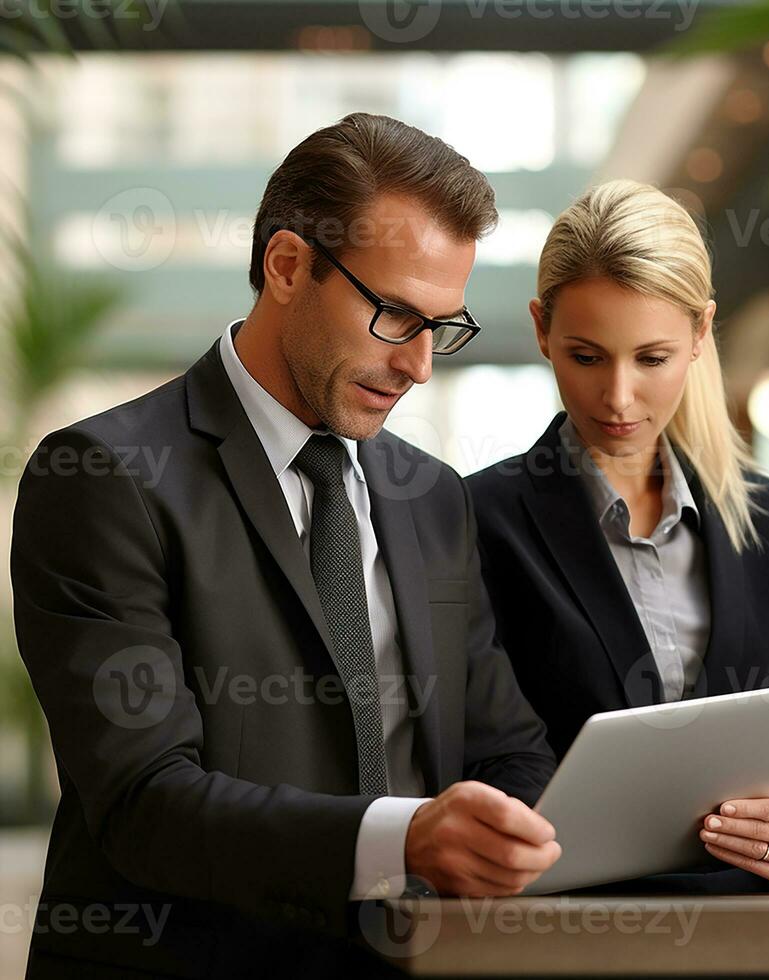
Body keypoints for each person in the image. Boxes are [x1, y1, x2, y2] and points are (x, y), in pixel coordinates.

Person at [10, 113, 561, 980]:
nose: (420, 365)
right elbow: (147, 801)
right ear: (288, 266)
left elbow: (505, 745)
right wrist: (402, 839)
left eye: (442, 328)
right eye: (393, 315)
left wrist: (520, 832)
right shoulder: (105, 476)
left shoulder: (432, 497)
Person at [466, 179, 769, 896]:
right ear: (540, 329)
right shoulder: (478, 517)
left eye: (652, 359)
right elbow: (476, 758)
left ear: (701, 334)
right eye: (587, 357)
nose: (618, 399)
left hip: (746, 938)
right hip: (564, 937)